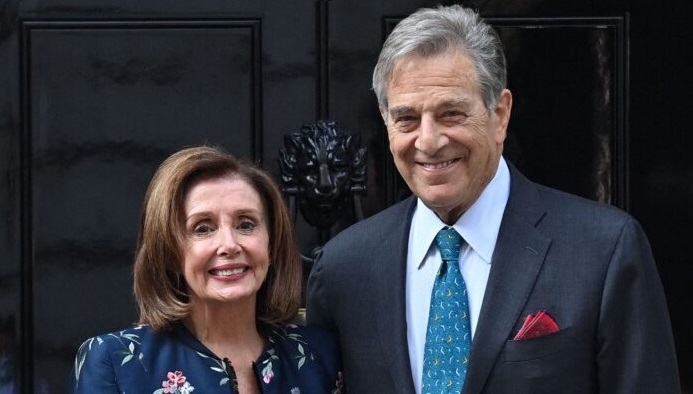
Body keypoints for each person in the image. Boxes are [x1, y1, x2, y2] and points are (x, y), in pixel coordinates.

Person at [306, 4, 680, 394]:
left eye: (451, 114)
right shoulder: (343, 270)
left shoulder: (603, 251)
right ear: (387, 123)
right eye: (407, 119)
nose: (428, 141)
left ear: (499, 114)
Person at [71, 146, 344, 393]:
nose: (229, 245)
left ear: (271, 244)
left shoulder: (320, 357)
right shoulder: (115, 362)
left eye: (246, 224)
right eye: (203, 228)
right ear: (168, 253)